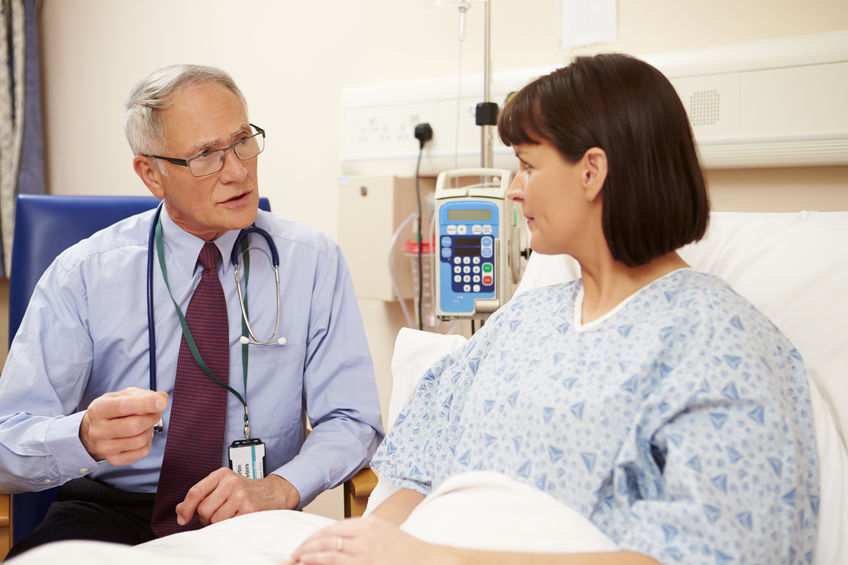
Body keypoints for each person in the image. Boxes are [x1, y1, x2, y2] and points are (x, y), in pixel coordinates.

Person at [290, 54, 819, 564]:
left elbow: (720, 551)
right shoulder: (521, 323)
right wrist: (357, 550)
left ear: (591, 172)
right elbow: (416, 469)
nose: (515, 192)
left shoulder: (720, 344)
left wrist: (438, 559)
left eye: (527, 166)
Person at [0, 64, 383, 557]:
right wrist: (83, 436)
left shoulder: (313, 262)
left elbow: (353, 420)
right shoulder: (84, 274)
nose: (238, 169)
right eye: (205, 155)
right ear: (150, 173)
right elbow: (7, 440)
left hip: (253, 511)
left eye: (243, 140)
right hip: (109, 510)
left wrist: (282, 486)